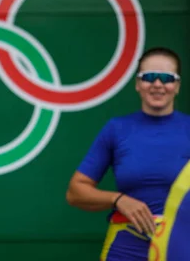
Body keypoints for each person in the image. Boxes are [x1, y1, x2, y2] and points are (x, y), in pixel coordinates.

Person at [66, 46, 190, 260]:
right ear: (137, 84)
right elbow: (75, 192)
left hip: (180, 247)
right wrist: (118, 199)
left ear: (177, 86)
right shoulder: (117, 129)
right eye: (149, 77)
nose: (157, 84)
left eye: (166, 78)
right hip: (125, 248)